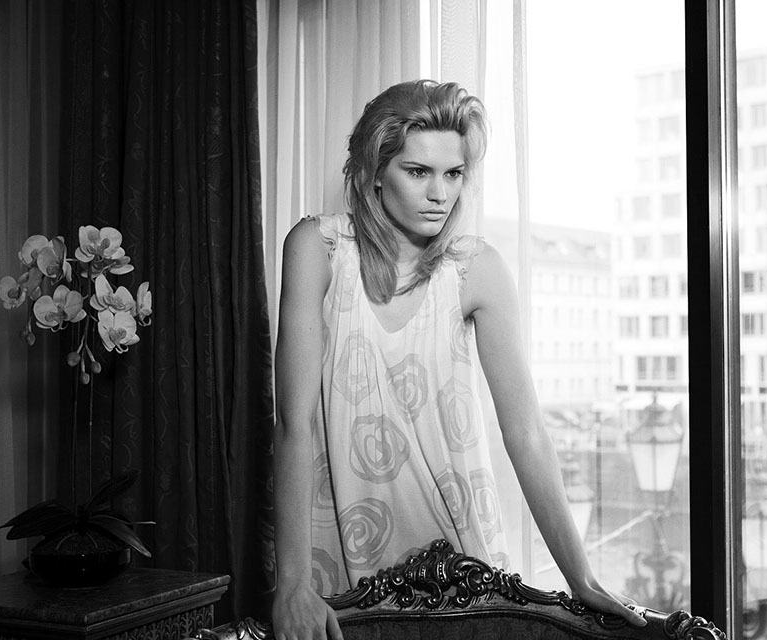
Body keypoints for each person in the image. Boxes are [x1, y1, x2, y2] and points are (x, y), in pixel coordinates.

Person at [272, 79, 646, 640]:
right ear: (375, 172)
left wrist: (582, 578)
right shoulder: (317, 248)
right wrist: (291, 584)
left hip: (465, 569)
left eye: (453, 174)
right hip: (340, 566)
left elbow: (526, 432)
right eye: (418, 171)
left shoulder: (476, 268)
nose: (439, 194)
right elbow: (293, 423)